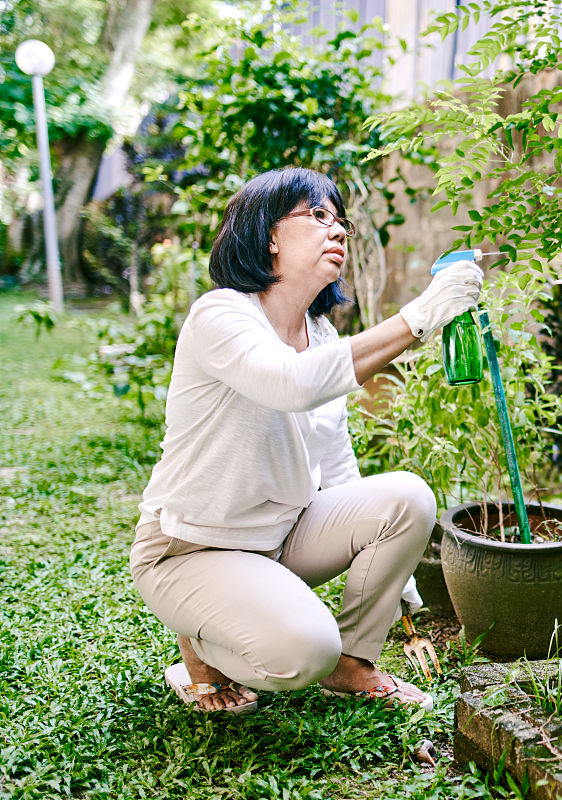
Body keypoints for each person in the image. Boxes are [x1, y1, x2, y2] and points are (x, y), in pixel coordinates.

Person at [129, 167, 483, 713]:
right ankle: (202, 649)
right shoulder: (221, 314)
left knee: (408, 497)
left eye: (340, 220)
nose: (337, 230)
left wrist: (397, 572)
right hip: (190, 548)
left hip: (277, 539)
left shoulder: (323, 336)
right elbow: (289, 383)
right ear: (269, 234)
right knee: (305, 651)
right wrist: (421, 316)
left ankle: (355, 662)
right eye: (318, 216)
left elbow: (335, 463)